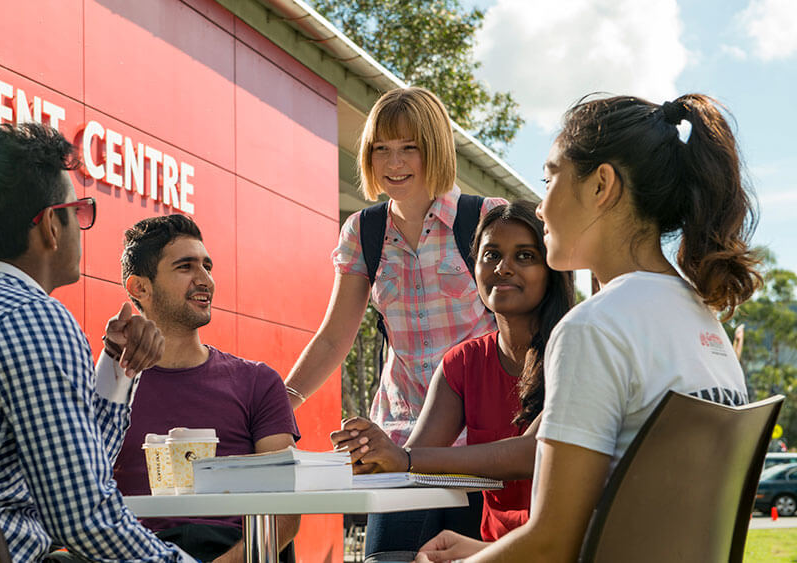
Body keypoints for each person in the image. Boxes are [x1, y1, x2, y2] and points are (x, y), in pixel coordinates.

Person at [415, 93, 760, 561]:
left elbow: (551, 544)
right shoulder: (701, 320)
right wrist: (480, 552)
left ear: (602, 185)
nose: (540, 207)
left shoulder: (595, 327)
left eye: (550, 178)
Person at [0, 123, 195, 563]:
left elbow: (71, 475)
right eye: (79, 211)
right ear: (50, 226)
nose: (83, 226)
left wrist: (117, 369)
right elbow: (86, 519)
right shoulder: (29, 317)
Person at [284, 86, 507, 553]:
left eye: (410, 148)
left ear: (436, 150)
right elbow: (332, 340)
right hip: (399, 442)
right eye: (380, 149)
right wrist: (279, 406)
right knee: (387, 557)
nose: (393, 163)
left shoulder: (487, 220)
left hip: (481, 446)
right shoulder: (364, 231)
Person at [332, 200, 574, 542]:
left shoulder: (574, 348)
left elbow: (532, 452)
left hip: (563, 545)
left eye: (525, 256)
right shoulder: (461, 363)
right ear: (472, 267)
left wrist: (404, 457)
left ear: (551, 270)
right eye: (491, 255)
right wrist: (370, 453)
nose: (503, 268)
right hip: (489, 546)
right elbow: (416, 455)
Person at [111, 214, 301, 563]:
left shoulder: (258, 382)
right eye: (185, 267)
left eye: (207, 266)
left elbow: (286, 511)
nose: (205, 280)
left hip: (233, 551)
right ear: (140, 287)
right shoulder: (109, 388)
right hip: (137, 551)